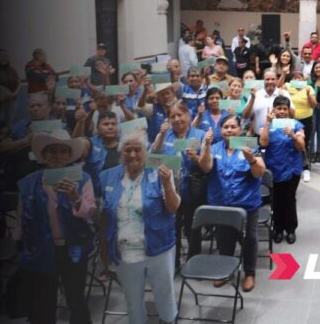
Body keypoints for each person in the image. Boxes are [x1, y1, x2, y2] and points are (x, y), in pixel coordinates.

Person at [98, 132, 180, 324]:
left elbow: (173, 207)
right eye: (128, 150)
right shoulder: (107, 177)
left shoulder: (159, 172)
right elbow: (104, 215)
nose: (133, 155)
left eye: (138, 150)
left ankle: (169, 321)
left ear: (146, 152)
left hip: (158, 248)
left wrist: (168, 184)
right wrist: (104, 249)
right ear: (121, 153)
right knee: (132, 300)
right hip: (125, 252)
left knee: (164, 295)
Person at [16, 129, 95, 324]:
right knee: (43, 300)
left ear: (69, 155)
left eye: (62, 151)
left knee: (76, 298)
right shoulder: (29, 182)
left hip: (73, 247)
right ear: (43, 155)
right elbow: (20, 217)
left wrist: (75, 197)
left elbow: (90, 212)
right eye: (51, 151)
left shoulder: (82, 178)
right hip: (40, 249)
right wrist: (19, 244)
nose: (57, 156)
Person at [198, 114, 265, 292]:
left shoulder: (249, 144)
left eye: (232, 127)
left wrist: (250, 159)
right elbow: (205, 167)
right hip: (221, 205)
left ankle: (249, 273)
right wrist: (205, 145)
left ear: (240, 129)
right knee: (224, 240)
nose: (229, 130)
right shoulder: (214, 148)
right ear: (221, 130)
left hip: (246, 205)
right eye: (225, 127)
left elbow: (259, 172)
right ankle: (226, 271)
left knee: (249, 239)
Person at [151, 102, 207, 265]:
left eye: (179, 115)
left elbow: (206, 165)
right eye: (172, 116)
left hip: (192, 189)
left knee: (193, 227)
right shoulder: (164, 135)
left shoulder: (200, 135)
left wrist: (195, 158)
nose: (176, 119)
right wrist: (160, 138)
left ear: (188, 116)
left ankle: (194, 261)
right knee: (172, 227)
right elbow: (152, 160)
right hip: (170, 190)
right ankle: (173, 262)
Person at [259, 96, 305, 243]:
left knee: (290, 199)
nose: (282, 112)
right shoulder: (267, 125)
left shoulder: (296, 125)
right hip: (275, 169)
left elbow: (301, 147)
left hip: (292, 169)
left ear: (288, 110)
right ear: (274, 110)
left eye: (284, 109)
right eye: (279, 108)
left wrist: (293, 135)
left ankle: (290, 229)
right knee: (277, 200)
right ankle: (278, 229)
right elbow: (263, 143)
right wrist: (267, 122)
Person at [285, 70, 317, 182]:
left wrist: (308, 94)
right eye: (295, 77)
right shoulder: (288, 86)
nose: (297, 79)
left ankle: (306, 168)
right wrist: (284, 74)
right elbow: (278, 88)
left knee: (304, 144)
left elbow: (314, 105)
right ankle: (294, 166)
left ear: (304, 79)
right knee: (292, 143)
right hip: (291, 121)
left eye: (299, 77)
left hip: (306, 120)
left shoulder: (308, 88)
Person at [82, 111, 121, 197]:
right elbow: (77, 148)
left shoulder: (125, 144)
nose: (110, 127)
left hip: (121, 196)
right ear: (98, 127)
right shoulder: (90, 143)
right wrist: (80, 122)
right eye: (106, 124)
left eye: (113, 124)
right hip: (96, 198)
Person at [243, 69, 291, 134]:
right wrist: (253, 98)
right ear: (263, 80)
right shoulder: (255, 94)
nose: (270, 82)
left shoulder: (284, 93)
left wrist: (284, 100)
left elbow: (293, 115)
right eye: (267, 79)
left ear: (276, 80)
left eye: (273, 79)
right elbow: (246, 116)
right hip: (259, 135)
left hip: (280, 136)